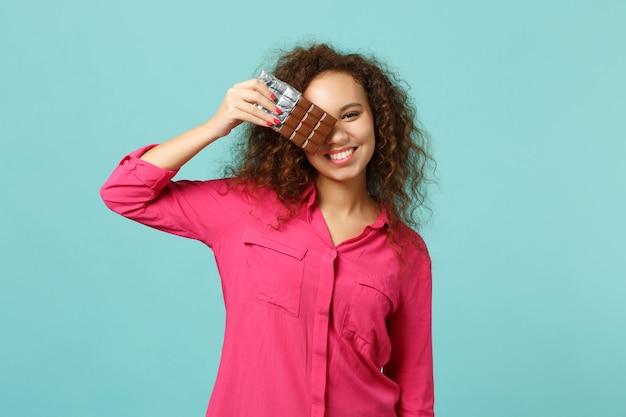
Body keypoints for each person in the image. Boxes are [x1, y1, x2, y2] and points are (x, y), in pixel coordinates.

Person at [100, 43, 435, 417]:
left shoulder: (408, 251)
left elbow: (415, 394)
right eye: (319, 121)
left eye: (351, 115)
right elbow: (125, 192)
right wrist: (215, 127)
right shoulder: (243, 209)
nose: (336, 136)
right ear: (294, 132)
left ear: (378, 121)